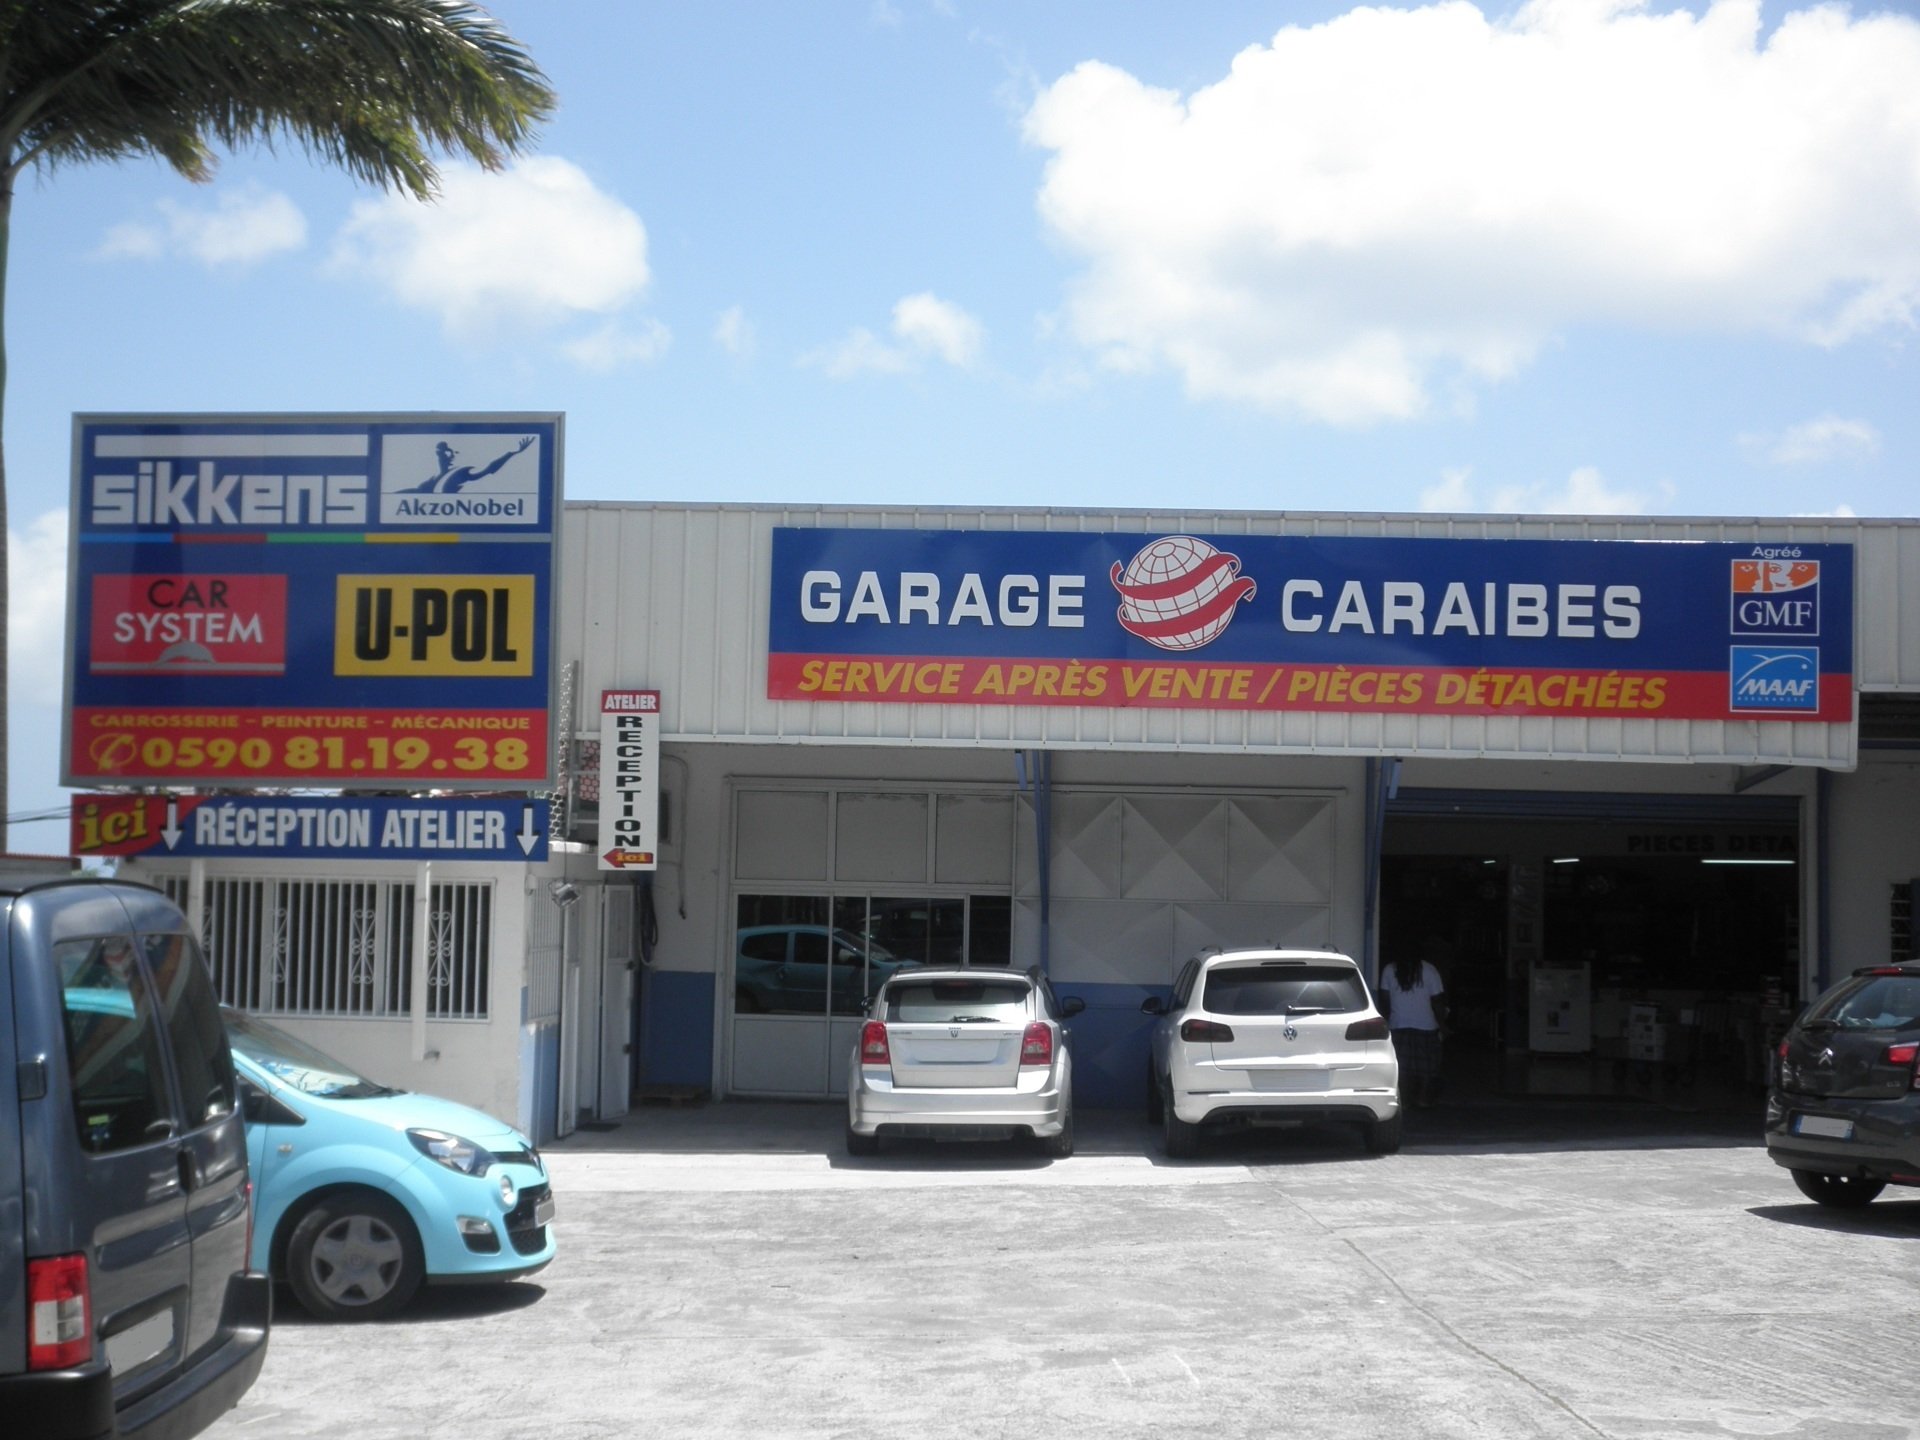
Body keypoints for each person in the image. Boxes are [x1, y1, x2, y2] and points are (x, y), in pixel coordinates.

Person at [1382, 942, 1450, 1109]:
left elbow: (1385, 1000)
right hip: (1426, 1026)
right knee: (1427, 1068)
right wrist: (1443, 1025)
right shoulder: (1429, 970)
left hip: (1398, 1026)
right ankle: (1422, 1099)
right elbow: (1437, 1002)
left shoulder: (1389, 970)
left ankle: (1403, 1100)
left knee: (1402, 1067)